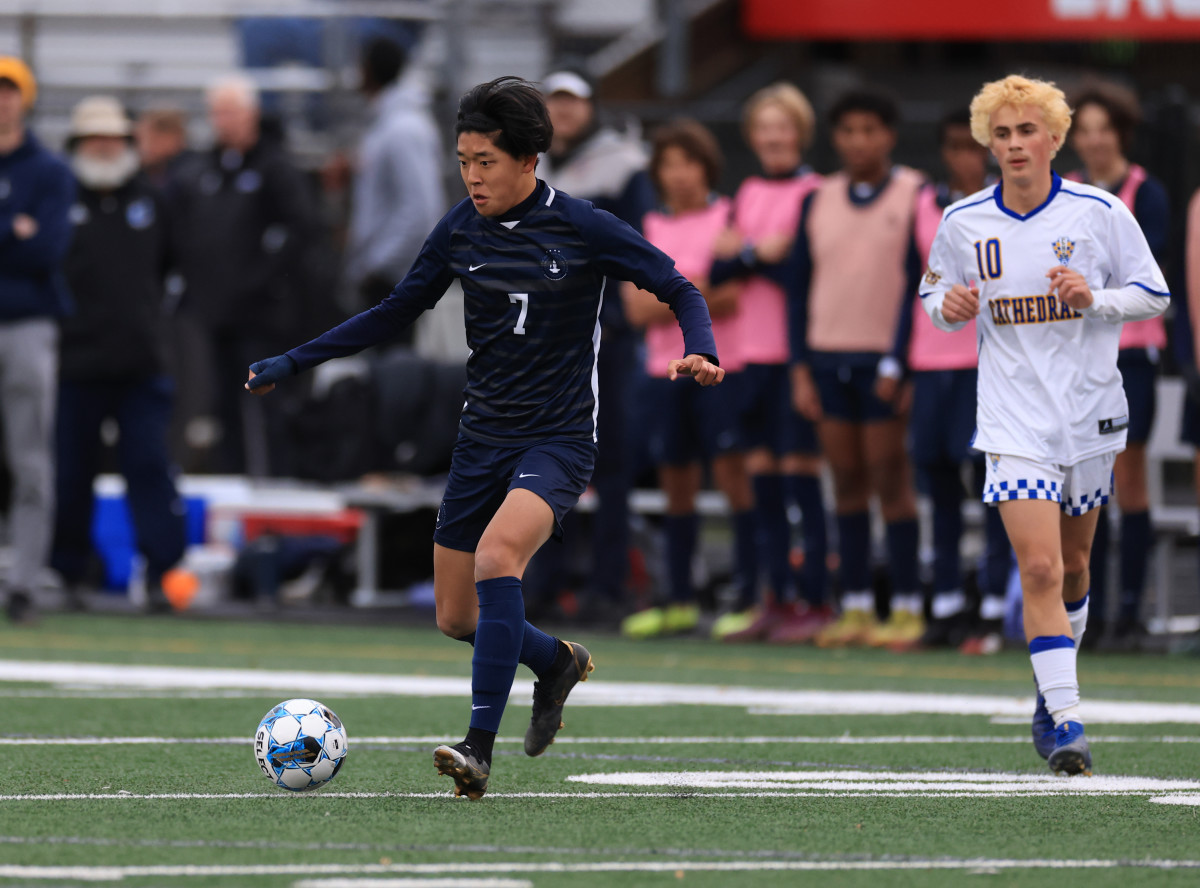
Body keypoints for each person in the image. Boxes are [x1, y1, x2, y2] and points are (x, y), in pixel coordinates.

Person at [245, 77, 722, 799]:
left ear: (529, 160)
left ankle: (477, 749)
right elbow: (393, 311)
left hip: (558, 440)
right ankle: (556, 663)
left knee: (500, 558)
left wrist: (702, 347)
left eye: (486, 161)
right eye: (464, 159)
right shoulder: (460, 229)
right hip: (481, 439)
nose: (472, 174)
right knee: (455, 615)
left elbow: (678, 285)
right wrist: (294, 359)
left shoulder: (585, 225)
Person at [921, 74, 1168, 775]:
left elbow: (1154, 293)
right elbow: (933, 296)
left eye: (1027, 131)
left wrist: (1096, 299)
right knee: (1039, 565)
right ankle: (1067, 723)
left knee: (1077, 565)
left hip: (1090, 410)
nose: (1014, 144)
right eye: (1001, 133)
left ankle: (1047, 685)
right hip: (1011, 417)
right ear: (986, 143)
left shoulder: (1100, 211)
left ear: (1055, 138)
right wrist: (951, 307)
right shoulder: (965, 220)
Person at [787, 89, 925, 650]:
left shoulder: (916, 194)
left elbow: (923, 283)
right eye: (848, 131)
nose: (859, 141)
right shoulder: (816, 199)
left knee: (891, 479)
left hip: (884, 361)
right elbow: (797, 289)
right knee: (845, 482)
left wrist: (904, 361)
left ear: (889, 135)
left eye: (871, 130)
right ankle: (858, 605)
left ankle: (909, 606)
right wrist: (800, 367)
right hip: (827, 357)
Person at [881, 109, 1012, 653]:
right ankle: (947, 603)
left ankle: (993, 603)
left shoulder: (1003, 207)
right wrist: (897, 361)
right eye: (955, 146)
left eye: (973, 145)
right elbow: (913, 286)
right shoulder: (923, 205)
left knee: (986, 479)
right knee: (934, 478)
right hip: (930, 361)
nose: (965, 156)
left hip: (982, 361)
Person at [51, 96, 187, 612]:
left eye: (113, 138)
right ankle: (69, 571)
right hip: (74, 363)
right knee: (70, 470)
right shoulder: (61, 200)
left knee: (149, 465)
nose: (104, 148)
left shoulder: (153, 202)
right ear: (78, 145)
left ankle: (161, 572)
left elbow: (175, 267)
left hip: (141, 363)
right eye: (94, 139)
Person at [619, 119, 753, 639]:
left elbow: (730, 296)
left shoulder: (728, 218)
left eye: (687, 163)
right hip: (662, 372)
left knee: (736, 481)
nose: (678, 174)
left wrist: (672, 293)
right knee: (677, 487)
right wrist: (696, 287)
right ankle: (678, 598)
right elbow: (634, 307)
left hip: (722, 368)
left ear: (707, 168)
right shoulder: (650, 227)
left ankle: (746, 594)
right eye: (668, 164)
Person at [708, 82, 830, 644]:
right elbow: (720, 267)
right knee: (761, 480)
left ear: (800, 133)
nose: (774, 137)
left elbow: (799, 271)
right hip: (749, 353)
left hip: (795, 354)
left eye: (784, 127)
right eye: (765, 127)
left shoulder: (815, 191)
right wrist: (759, 252)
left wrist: (748, 255)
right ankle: (774, 596)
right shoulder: (746, 192)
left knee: (800, 476)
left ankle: (816, 601)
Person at [536, 69, 657, 620]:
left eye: (572, 101)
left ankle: (606, 586)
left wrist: (613, 316)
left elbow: (635, 248)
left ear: (591, 107)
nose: (564, 112)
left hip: (604, 335)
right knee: (541, 462)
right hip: (542, 339)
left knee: (609, 462)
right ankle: (543, 584)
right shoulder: (527, 163)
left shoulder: (622, 165)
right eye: (554, 101)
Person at [1066, 82, 1170, 648]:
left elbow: (1142, 275)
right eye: (1085, 130)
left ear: (1121, 133)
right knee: (1086, 482)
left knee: (1127, 481)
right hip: (1080, 353)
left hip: (1132, 350)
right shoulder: (1068, 194)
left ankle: (1129, 612)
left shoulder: (1144, 191)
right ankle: (1092, 612)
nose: (1095, 139)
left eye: (1104, 128)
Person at [172, 74, 315, 476]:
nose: (224, 121)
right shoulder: (203, 171)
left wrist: (264, 280)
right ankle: (233, 480)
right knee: (223, 406)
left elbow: (299, 230)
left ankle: (276, 483)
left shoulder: (275, 168)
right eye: (217, 112)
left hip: (263, 315)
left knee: (267, 405)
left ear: (251, 114)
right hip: (216, 314)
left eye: (231, 111)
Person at [0, 57, 75, 624]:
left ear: (23, 99)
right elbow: (23, 242)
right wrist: (11, 226)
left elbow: (46, 250)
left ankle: (24, 580)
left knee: (29, 456)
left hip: (27, 325)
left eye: (9, 91)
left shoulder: (47, 170)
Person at [343, 37, 446, 313]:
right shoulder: (387, 123)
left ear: (370, 69)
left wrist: (377, 266)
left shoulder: (403, 129)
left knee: (394, 357)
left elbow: (421, 211)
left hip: (393, 280)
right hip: (384, 277)